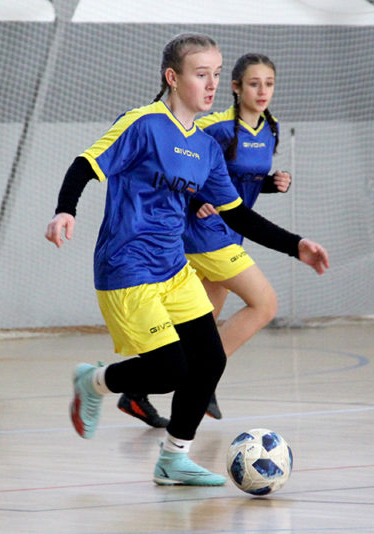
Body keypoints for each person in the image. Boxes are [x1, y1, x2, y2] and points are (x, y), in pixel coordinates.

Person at [45, 34, 328, 486]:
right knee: (169, 370)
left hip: (173, 268)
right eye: (201, 74)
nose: (212, 84)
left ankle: (174, 459)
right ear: (173, 78)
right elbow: (85, 164)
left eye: (216, 74)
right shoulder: (143, 124)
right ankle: (93, 382)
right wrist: (66, 210)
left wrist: (297, 245)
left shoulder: (207, 149)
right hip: (127, 266)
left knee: (209, 360)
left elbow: (237, 214)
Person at [118, 53, 315, 425]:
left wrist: (271, 184)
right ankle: (203, 378)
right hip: (204, 233)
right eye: (254, 83)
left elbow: (236, 184)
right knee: (265, 304)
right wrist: (196, 201)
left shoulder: (269, 129)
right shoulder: (215, 127)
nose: (262, 91)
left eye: (269, 84)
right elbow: (184, 167)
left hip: (232, 232)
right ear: (236, 87)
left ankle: (137, 391)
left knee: (203, 323)